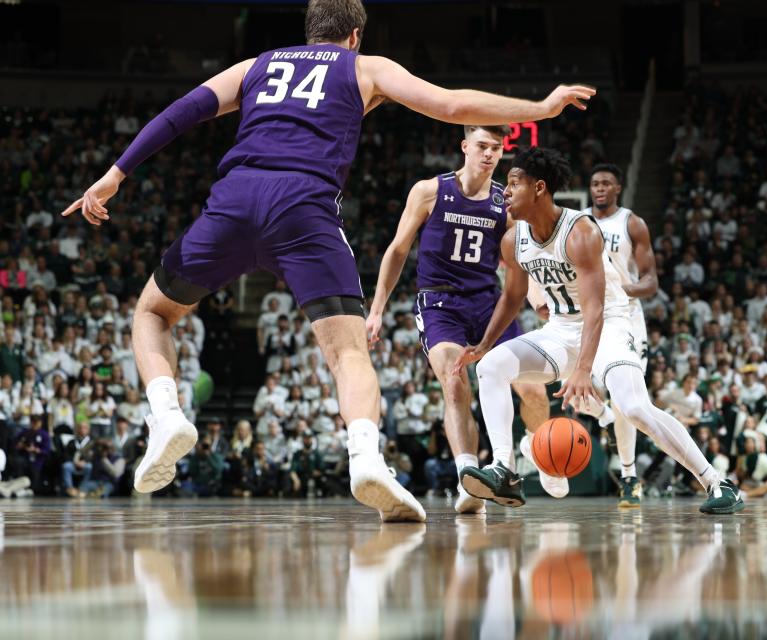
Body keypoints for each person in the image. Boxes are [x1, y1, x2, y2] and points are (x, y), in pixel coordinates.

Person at [62, 0, 594, 522]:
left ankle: (167, 414)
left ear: (309, 30)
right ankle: (365, 457)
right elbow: (452, 106)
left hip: (234, 200)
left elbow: (182, 113)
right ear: (356, 36)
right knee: (347, 353)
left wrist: (116, 174)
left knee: (152, 314)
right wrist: (541, 108)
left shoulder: (257, 66)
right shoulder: (365, 67)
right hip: (304, 211)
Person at [453, 147, 743, 515]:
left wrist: (584, 370)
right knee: (490, 367)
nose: (505, 191)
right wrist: (481, 344)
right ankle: (504, 469)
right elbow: (511, 298)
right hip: (560, 328)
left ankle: (718, 483)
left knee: (634, 407)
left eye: (513, 183)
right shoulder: (514, 241)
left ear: (539, 188)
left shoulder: (581, 231)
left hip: (611, 322)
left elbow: (595, 309)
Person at [366, 124, 550, 514]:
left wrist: (541, 304)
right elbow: (398, 250)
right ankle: (468, 477)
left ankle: (535, 448)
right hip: (440, 304)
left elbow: (517, 266)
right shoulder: (429, 191)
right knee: (454, 380)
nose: (489, 154)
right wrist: (378, 308)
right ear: (465, 146)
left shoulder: (506, 203)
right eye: (482, 146)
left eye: (497, 149)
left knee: (533, 390)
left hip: (488, 304)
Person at [567, 163, 656, 507]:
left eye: (606, 183)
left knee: (625, 400)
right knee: (573, 388)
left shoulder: (631, 223)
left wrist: (622, 289)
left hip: (625, 318)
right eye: (594, 184)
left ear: (618, 188)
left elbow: (651, 280)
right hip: (584, 315)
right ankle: (602, 417)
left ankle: (630, 477)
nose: (599, 188)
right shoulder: (577, 222)